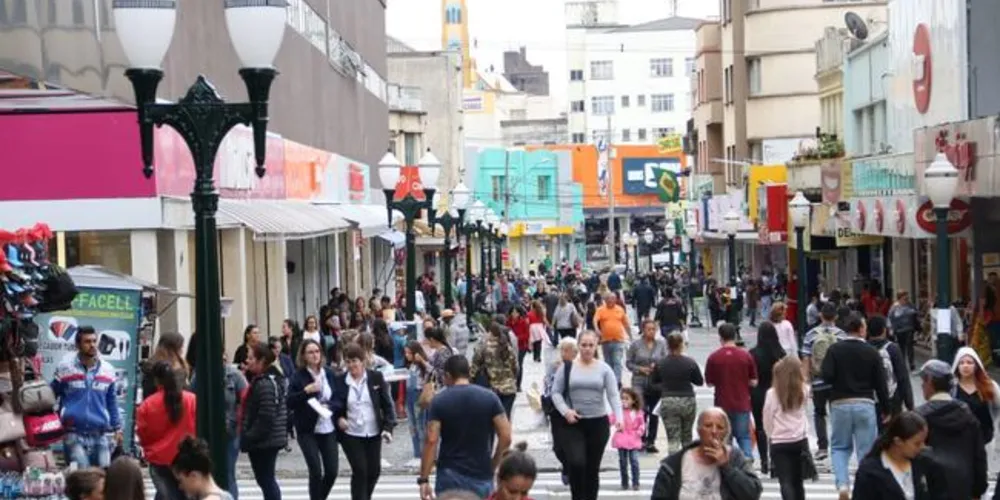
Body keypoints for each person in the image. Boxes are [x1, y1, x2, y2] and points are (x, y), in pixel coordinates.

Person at [420, 356, 512, 499]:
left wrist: (424, 479)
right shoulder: (490, 397)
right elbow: (506, 436)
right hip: (481, 473)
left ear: (448, 375)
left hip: (450, 473)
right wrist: (494, 463)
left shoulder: (439, 401)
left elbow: (431, 440)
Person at [820, 312, 888, 499]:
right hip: (865, 403)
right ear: (861, 329)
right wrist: (886, 409)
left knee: (840, 447)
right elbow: (881, 384)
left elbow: (826, 375)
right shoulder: (871, 352)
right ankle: (864, 488)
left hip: (840, 403)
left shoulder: (834, 350)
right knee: (866, 450)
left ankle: (843, 484)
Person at [550, 330, 623, 500]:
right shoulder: (567, 367)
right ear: (578, 346)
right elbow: (555, 392)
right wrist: (566, 411)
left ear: (596, 346)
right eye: (584, 345)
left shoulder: (604, 369)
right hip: (573, 423)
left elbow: (613, 395)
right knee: (577, 462)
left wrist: (619, 417)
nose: (587, 349)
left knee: (592, 468)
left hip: (598, 423)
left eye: (591, 345)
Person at [650, 408, 763, 500]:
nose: (714, 431)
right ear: (699, 430)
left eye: (720, 427)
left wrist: (727, 467)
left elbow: (753, 494)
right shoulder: (675, 463)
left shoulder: (734, 457)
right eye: (708, 426)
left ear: (726, 433)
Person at [915, 359, 987, 500]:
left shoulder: (918, 418)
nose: (922, 385)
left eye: (923, 381)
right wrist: (978, 490)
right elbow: (979, 456)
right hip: (963, 487)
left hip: (930, 488)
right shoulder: (968, 416)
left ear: (929, 381)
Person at [50, 326, 121, 468]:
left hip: (100, 434)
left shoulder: (108, 370)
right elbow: (51, 395)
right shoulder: (65, 368)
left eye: (94, 341)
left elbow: (112, 402)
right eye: (87, 342)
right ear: (78, 345)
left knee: (103, 475)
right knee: (82, 475)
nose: (92, 345)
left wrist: (117, 428)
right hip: (73, 433)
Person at [332, 344, 396, 500]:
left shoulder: (375, 377)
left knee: (374, 471)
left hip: (373, 432)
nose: (351, 365)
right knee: (360, 470)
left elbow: (387, 405)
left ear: (362, 361)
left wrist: (388, 428)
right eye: (348, 362)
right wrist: (338, 418)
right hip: (351, 433)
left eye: (354, 361)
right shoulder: (340, 381)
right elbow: (334, 405)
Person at [287, 339, 341, 500]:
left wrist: (330, 406)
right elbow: (289, 401)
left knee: (332, 471)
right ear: (304, 356)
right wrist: (306, 391)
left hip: (327, 426)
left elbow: (338, 398)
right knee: (316, 471)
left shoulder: (328, 373)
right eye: (310, 352)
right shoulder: (298, 376)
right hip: (307, 428)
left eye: (317, 351)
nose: (315, 355)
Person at [851, 411, 948, 500]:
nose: (922, 447)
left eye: (924, 441)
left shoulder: (927, 464)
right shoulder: (869, 472)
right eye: (917, 443)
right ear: (898, 441)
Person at [137, 362, 197, 500]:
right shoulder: (191, 400)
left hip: (159, 459)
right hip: (187, 457)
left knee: (166, 495)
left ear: (156, 380)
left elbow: (143, 434)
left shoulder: (147, 405)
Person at [240, 343, 289, 500]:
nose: (247, 361)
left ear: (261, 361)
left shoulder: (265, 383)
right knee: (265, 479)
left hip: (265, 440)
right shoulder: (264, 380)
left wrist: (249, 436)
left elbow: (266, 417)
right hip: (267, 438)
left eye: (251, 358)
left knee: (266, 480)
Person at [704, 323, 758, 460]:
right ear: (735, 336)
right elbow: (754, 381)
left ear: (720, 337)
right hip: (742, 402)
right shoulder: (745, 356)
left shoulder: (714, 357)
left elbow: (709, 383)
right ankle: (747, 457)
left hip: (722, 402)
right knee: (743, 435)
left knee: (724, 437)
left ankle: (727, 462)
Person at [762, 356, 812, 500]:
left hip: (779, 440)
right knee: (798, 481)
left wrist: (770, 434)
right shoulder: (804, 390)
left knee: (785, 481)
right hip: (799, 439)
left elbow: (767, 417)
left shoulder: (772, 393)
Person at [799, 302, 844, 461]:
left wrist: (806, 382)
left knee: (819, 413)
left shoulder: (810, 335)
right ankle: (838, 446)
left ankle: (823, 447)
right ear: (836, 317)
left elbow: (806, 360)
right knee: (837, 413)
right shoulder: (842, 335)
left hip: (818, 381)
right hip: (837, 382)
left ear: (820, 315)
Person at [650, 332, 704, 453]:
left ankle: (673, 462)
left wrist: (665, 386)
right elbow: (699, 381)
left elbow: (653, 383)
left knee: (673, 438)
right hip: (687, 398)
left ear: (667, 345)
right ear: (681, 345)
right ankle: (687, 460)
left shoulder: (661, 363)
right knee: (687, 436)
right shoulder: (690, 362)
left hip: (668, 399)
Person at [749, 321, 785, 474]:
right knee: (776, 427)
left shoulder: (753, 353)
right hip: (776, 391)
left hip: (758, 392)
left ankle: (764, 460)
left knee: (760, 426)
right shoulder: (781, 353)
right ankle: (775, 462)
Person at [625, 319, 667, 453]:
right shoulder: (635, 345)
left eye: (653, 329)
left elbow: (666, 360)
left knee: (654, 412)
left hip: (655, 381)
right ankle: (640, 439)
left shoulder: (661, 344)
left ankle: (651, 441)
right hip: (639, 381)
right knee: (641, 410)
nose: (651, 332)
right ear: (643, 330)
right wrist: (640, 369)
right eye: (649, 329)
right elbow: (628, 363)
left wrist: (658, 367)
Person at [867, 315, 914, 425]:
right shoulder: (893, 348)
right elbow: (902, 377)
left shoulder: (864, 348)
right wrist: (909, 404)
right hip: (893, 399)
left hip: (870, 400)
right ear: (884, 330)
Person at [950, 346, 1000, 445]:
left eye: (969, 362)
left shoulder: (990, 386)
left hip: (984, 441)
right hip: (959, 442)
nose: (965, 366)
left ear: (976, 365)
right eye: (961, 363)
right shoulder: (951, 388)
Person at [470, 321, 520, 418]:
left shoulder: (483, 348)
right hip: (509, 388)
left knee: (494, 419)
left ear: (490, 332)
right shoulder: (507, 346)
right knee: (506, 418)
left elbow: (474, 366)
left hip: (493, 389)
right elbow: (516, 367)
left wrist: (471, 380)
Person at [609, 387, 645, 491]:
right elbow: (611, 419)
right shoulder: (618, 411)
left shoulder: (638, 412)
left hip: (634, 439)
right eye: (622, 398)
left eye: (627, 398)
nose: (624, 401)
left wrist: (640, 431)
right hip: (621, 438)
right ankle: (624, 482)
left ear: (633, 400)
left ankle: (635, 482)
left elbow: (642, 424)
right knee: (623, 462)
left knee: (634, 461)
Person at [593, 293, 631, 386]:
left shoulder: (620, 309)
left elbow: (626, 323)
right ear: (605, 300)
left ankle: (617, 381)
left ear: (616, 300)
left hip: (618, 340)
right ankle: (610, 380)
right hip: (605, 340)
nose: (610, 300)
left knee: (617, 361)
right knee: (608, 362)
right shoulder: (600, 310)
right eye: (608, 299)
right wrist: (597, 329)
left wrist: (630, 335)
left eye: (613, 299)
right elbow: (595, 320)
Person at [140, 331, 190, 402]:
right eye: (179, 348)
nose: (181, 351)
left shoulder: (179, 362)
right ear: (170, 350)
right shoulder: (153, 368)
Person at [887, 291, 920, 371]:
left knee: (909, 346)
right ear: (900, 298)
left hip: (909, 328)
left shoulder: (910, 305)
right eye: (905, 298)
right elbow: (890, 317)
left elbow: (916, 313)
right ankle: (903, 364)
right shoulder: (894, 307)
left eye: (907, 298)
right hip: (899, 330)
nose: (906, 299)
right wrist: (890, 328)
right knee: (901, 347)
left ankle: (911, 364)